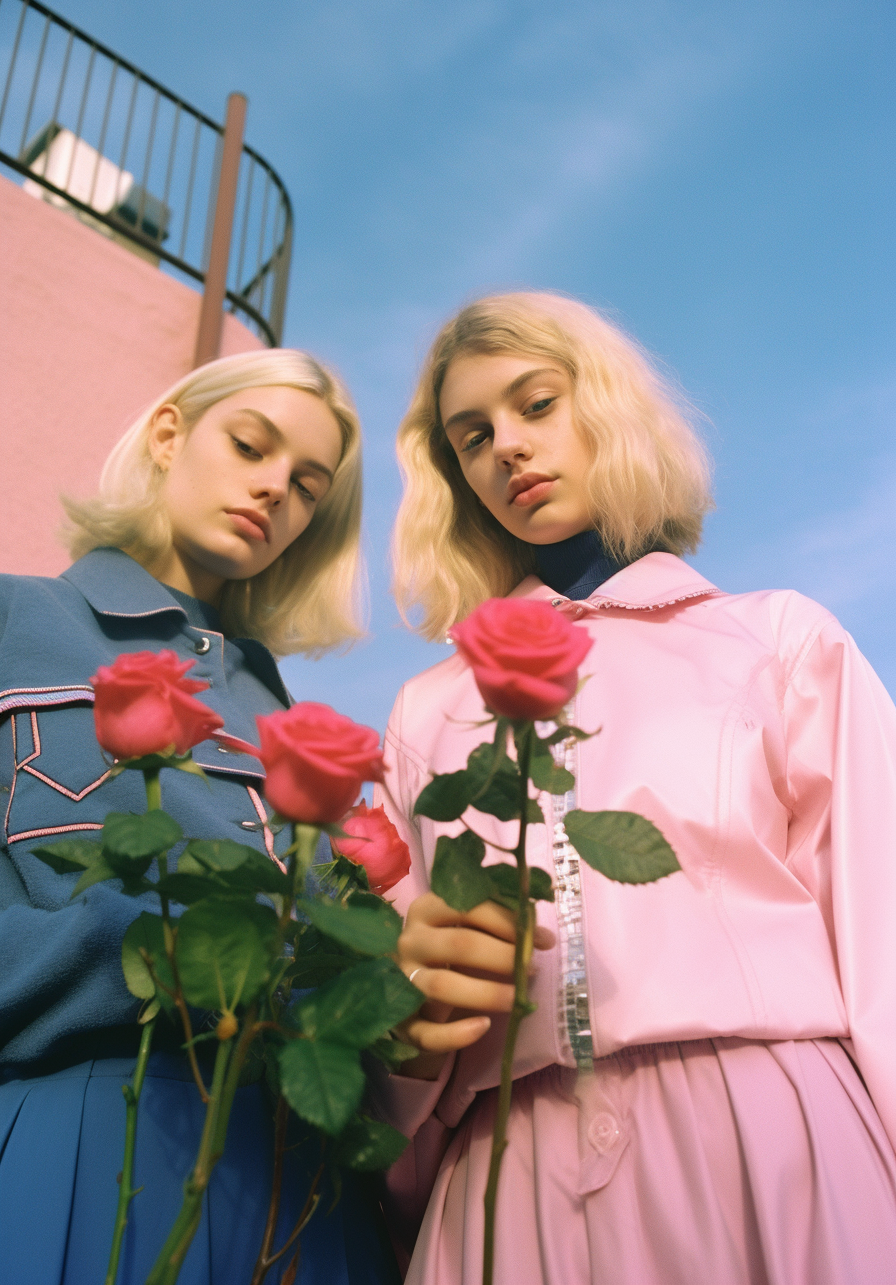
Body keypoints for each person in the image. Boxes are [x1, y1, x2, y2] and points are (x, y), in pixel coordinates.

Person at [372, 292, 896, 1284]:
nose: (507, 450)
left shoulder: (779, 639)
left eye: (535, 405)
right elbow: (404, 1032)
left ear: (604, 405)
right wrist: (404, 1028)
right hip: (503, 1181)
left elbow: (887, 944)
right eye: (471, 437)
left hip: (769, 1141)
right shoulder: (425, 710)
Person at [0, 349, 399, 1285]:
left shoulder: (295, 723)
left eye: (307, 486)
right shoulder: (16, 623)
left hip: (304, 1186)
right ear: (172, 432)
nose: (273, 492)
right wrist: (156, 946)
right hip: (85, 1128)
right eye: (251, 445)